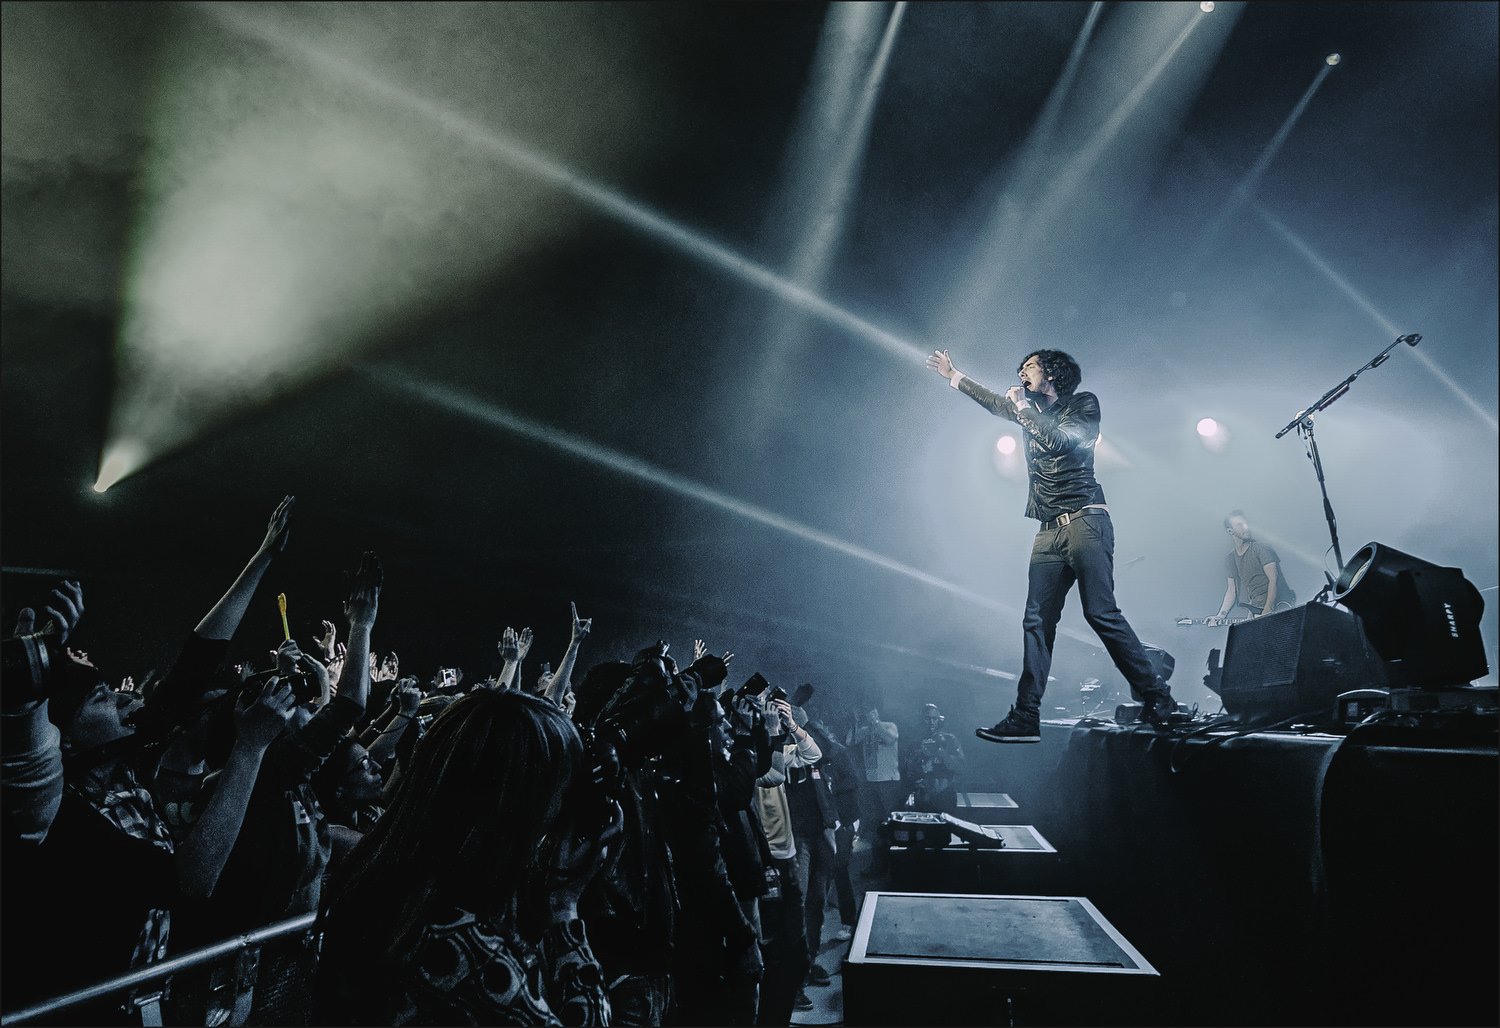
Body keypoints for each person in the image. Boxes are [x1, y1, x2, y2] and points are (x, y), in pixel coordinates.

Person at [314, 689, 621, 1026]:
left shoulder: (391, 885)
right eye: (558, 793)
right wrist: (565, 909)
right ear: (517, 806)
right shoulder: (457, 941)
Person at [926, 348, 1178, 742]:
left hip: (1086, 521)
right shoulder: (1029, 411)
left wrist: (1023, 408)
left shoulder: (1083, 405)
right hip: (1048, 531)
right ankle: (1026, 716)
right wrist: (954, 376)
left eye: (1028, 366)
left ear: (1052, 373)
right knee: (1037, 621)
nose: (1020, 372)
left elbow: (1058, 442)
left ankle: (1159, 698)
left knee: (1101, 613)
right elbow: (996, 403)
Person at [1211, 511, 1296, 622]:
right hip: (1256, 608)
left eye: (1246, 523)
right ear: (1230, 531)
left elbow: (1273, 579)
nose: (1245, 527)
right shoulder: (1230, 558)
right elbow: (1232, 590)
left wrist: (1267, 610)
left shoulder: (1261, 549)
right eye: (1239, 525)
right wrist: (1221, 615)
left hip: (1277, 607)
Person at [906, 703, 965, 815]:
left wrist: (941, 752)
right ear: (922, 719)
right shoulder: (915, 742)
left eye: (935, 718)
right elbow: (909, 771)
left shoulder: (950, 740)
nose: (931, 722)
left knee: (944, 830)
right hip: (923, 795)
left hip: (945, 794)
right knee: (924, 830)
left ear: (939, 720)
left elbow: (960, 767)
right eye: (928, 718)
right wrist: (922, 765)